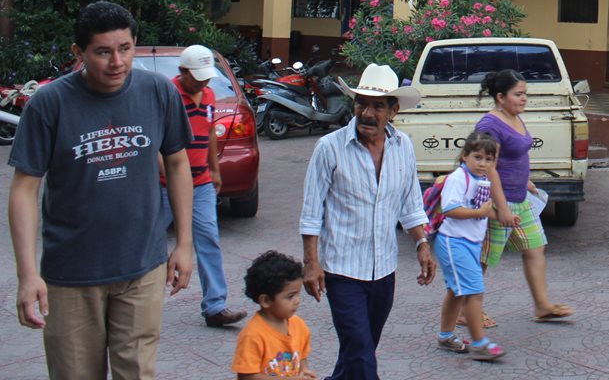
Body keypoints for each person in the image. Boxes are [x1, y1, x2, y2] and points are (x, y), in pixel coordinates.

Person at [7, 0, 194, 380]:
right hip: (71, 275)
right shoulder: (49, 104)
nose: (117, 63)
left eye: (125, 48)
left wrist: (184, 243)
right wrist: (27, 275)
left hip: (142, 267)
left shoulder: (158, 92)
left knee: (137, 373)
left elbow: (177, 164)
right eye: (103, 52)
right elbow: (24, 190)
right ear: (79, 52)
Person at [299, 63, 435, 379]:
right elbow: (311, 211)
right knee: (361, 355)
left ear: (393, 111)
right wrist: (311, 263)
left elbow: (411, 204)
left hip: (384, 270)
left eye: (377, 106)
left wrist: (422, 243)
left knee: (359, 350)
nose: (367, 113)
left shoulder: (403, 147)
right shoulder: (329, 148)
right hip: (342, 270)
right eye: (361, 103)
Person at [475, 70, 574, 327]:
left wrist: (525, 181)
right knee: (483, 258)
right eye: (518, 94)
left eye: (525, 94)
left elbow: (516, 156)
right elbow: (488, 167)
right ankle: (467, 311)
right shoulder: (490, 125)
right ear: (500, 97)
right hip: (500, 201)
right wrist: (502, 208)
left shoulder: (514, 117)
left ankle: (542, 306)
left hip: (521, 198)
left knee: (535, 248)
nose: (524, 99)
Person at [158, 44, 247, 328]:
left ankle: (215, 306)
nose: (203, 82)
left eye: (206, 77)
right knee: (149, 240)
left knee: (209, 238)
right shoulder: (168, 95)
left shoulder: (208, 94)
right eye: (197, 77)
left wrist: (215, 170)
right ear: (182, 72)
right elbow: (155, 139)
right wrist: (167, 174)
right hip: (165, 185)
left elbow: (209, 132)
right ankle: (137, 299)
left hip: (201, 183)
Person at [432, 130, 505, 361]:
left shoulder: (482, 180)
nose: (483, 163)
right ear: (465, 156)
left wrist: (502, 217)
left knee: (456, 291)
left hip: (470, 244)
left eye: (489, 159)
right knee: (474, 291)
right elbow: (450, 209)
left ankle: (445, 337)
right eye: (478, 157)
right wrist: (479, 212)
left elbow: (482, 209)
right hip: (454, 243)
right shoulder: (458, 178)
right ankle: (480, 344)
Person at [232, 251, 316, 379]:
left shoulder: (299, 325)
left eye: (298, 294)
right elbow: (247, 376)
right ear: (266, 301)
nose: (297, 301)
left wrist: (305, 372)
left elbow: (302, 359)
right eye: (290, 296)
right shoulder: (252, 335)